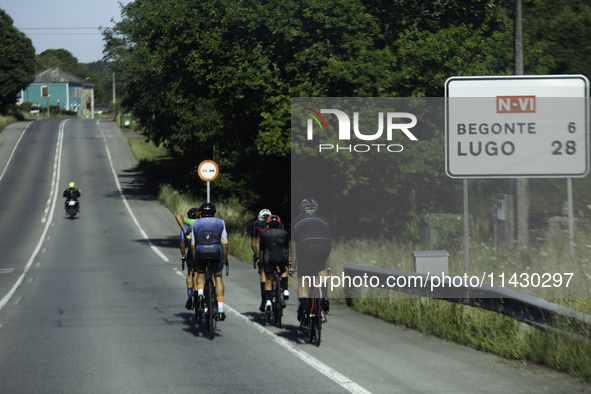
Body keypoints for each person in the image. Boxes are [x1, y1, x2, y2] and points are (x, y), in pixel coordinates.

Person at [291, 198, 331, 324]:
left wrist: (293, 266)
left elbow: (294, 249)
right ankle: (324, 297)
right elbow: (327, 242)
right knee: (322, 269)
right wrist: (327, 266)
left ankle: (303, 309)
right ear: (316, 210)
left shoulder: (296, 221)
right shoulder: (324, 220)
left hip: (306, 246)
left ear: (302, 211)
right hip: (324, 246)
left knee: (303, 278)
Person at [190, 202, 229, 321]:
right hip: (216, 251)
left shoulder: (195, 223)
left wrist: (194, 259)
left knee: (200, 273)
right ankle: (221, 310)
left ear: (200, 214)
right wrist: (224, 259)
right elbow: (225, 245)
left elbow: (192, 245)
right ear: (214, 213)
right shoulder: (221, 222)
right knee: (218, 277)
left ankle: (200, 294)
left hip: (200, 250)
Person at [259, 215, 290, 313]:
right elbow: (286, 249)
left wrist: (261, 262)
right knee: (283, 270)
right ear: (279, 225)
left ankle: (268, 300)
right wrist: (287, 260)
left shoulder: (264, 234)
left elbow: (261, 251)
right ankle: (285, 289)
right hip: (281, 255)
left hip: (269, 256)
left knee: (269, 278)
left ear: (267, 225)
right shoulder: (284, 233)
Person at [251, 208, 272, 311]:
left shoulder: (256, 223)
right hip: (279, 249)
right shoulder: (279, 222)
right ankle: (283, 288)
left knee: (264, 271)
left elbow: (254, 243)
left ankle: (264, 300)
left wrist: (257, 255)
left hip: (265, 251)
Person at [179, 207, 200, 310]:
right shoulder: (202, 222)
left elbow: (182, 243)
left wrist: (183, 255)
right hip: (204, 250)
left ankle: (189, 298)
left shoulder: (187, 226)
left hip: (192, 253)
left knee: (190, 273)